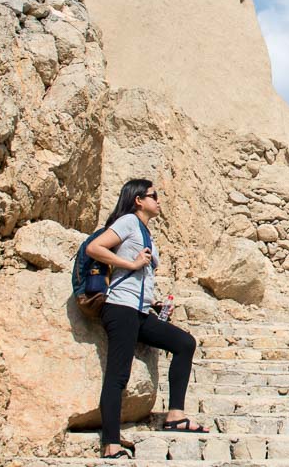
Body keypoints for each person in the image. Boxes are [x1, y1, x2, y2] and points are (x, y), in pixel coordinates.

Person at [86, 178, 208, 458]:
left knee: (184, 343)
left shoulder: (146, 232)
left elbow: (143, 274)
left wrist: (154, 300)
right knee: (118, 375)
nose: (159, 200)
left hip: (140, 310)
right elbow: (96, 248)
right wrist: (130, 263)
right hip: (120, 307)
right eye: (154, 195)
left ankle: (175, 414)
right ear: (139, 199)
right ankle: (111, 444)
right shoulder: (128, 221)